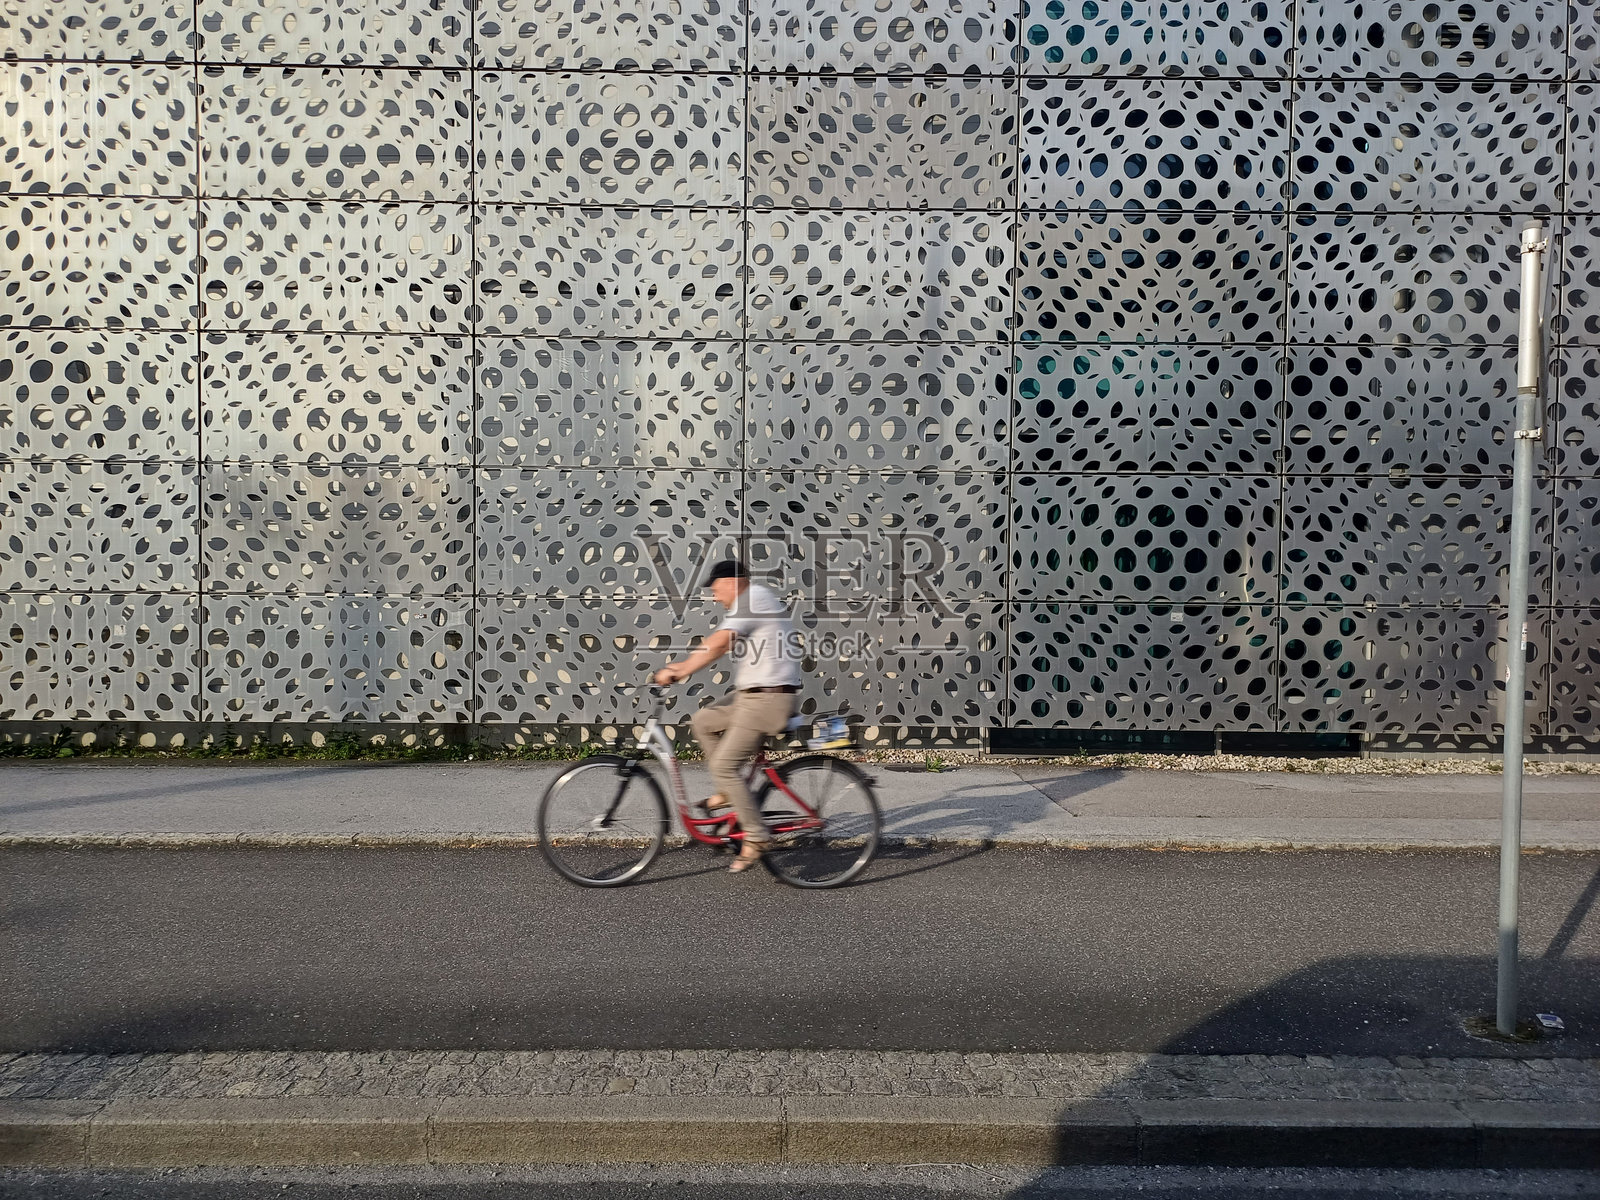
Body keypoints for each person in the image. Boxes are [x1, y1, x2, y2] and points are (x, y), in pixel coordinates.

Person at [652, 559, 800, 874]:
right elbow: (717, 641)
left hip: (768, 700)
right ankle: (728, 792)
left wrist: (681, 670)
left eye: (716, 589)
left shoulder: (755, 597)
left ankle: (757, 836)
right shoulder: (749, 603)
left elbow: (720, 643)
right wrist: (682, 667)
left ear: (732, 581)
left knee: (724, 765)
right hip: (753, 696)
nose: (715, 597)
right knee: (703, 721)